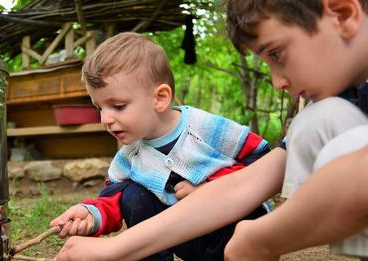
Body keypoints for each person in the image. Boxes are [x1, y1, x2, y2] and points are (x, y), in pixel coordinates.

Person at [54, 0, 368, 260]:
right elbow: (246, 184)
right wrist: (111, 245)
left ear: (342, 13)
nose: (278, 81)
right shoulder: (345, 97)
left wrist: (261, 238)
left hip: (236, 234)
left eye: (277, 54)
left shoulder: (202, 125)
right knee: (318, 121)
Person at [50, 32, 271, 261]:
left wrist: (212, 186)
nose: (105, 119)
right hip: (184, 237)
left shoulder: (204, 127)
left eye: (117, 106)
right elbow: (111, 201)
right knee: (132, 195)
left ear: (160, 97)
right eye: (99, 108)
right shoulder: (128, 158)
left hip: (236, 232)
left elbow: (262, 160)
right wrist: (90, 214)